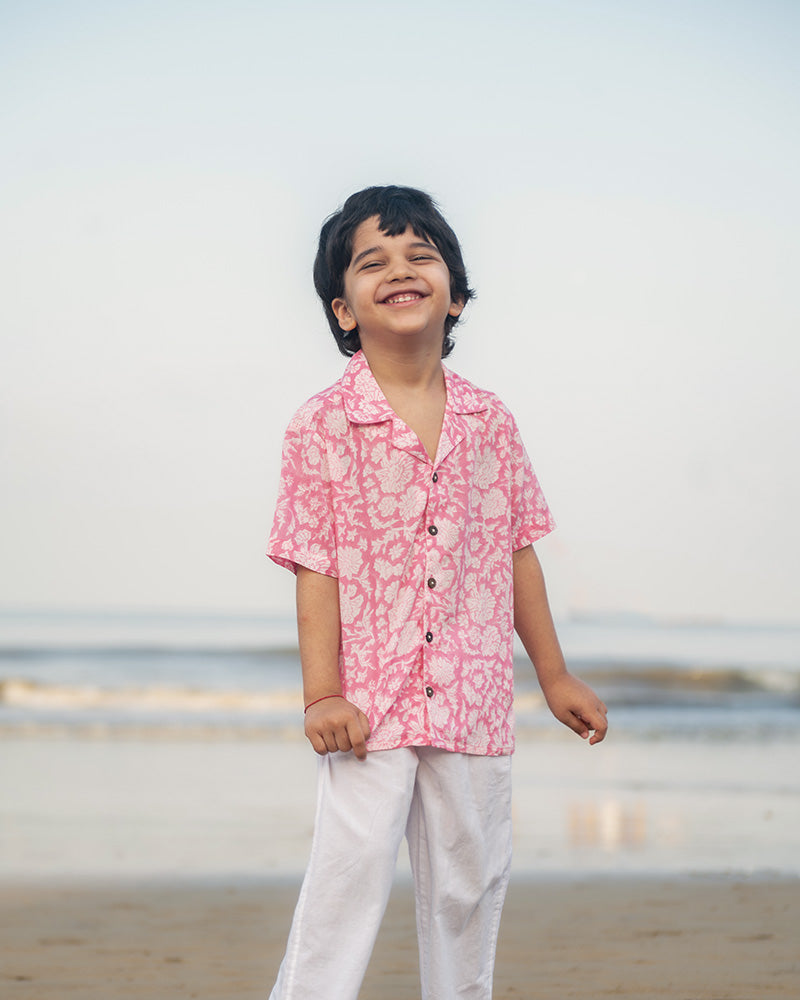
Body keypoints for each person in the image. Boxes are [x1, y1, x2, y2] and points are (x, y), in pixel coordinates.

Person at [266, 185, 608, 999]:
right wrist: (322, 694)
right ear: (343, 309)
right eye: (371, 261)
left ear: (454, 293)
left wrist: (554, 674)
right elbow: (317, 565)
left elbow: (516, 551)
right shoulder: (321, 425)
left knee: (468, 888)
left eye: (421, 255)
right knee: (343, 889)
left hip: (475, 696)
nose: (399, 270)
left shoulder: (491, 422)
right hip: (368, 709)